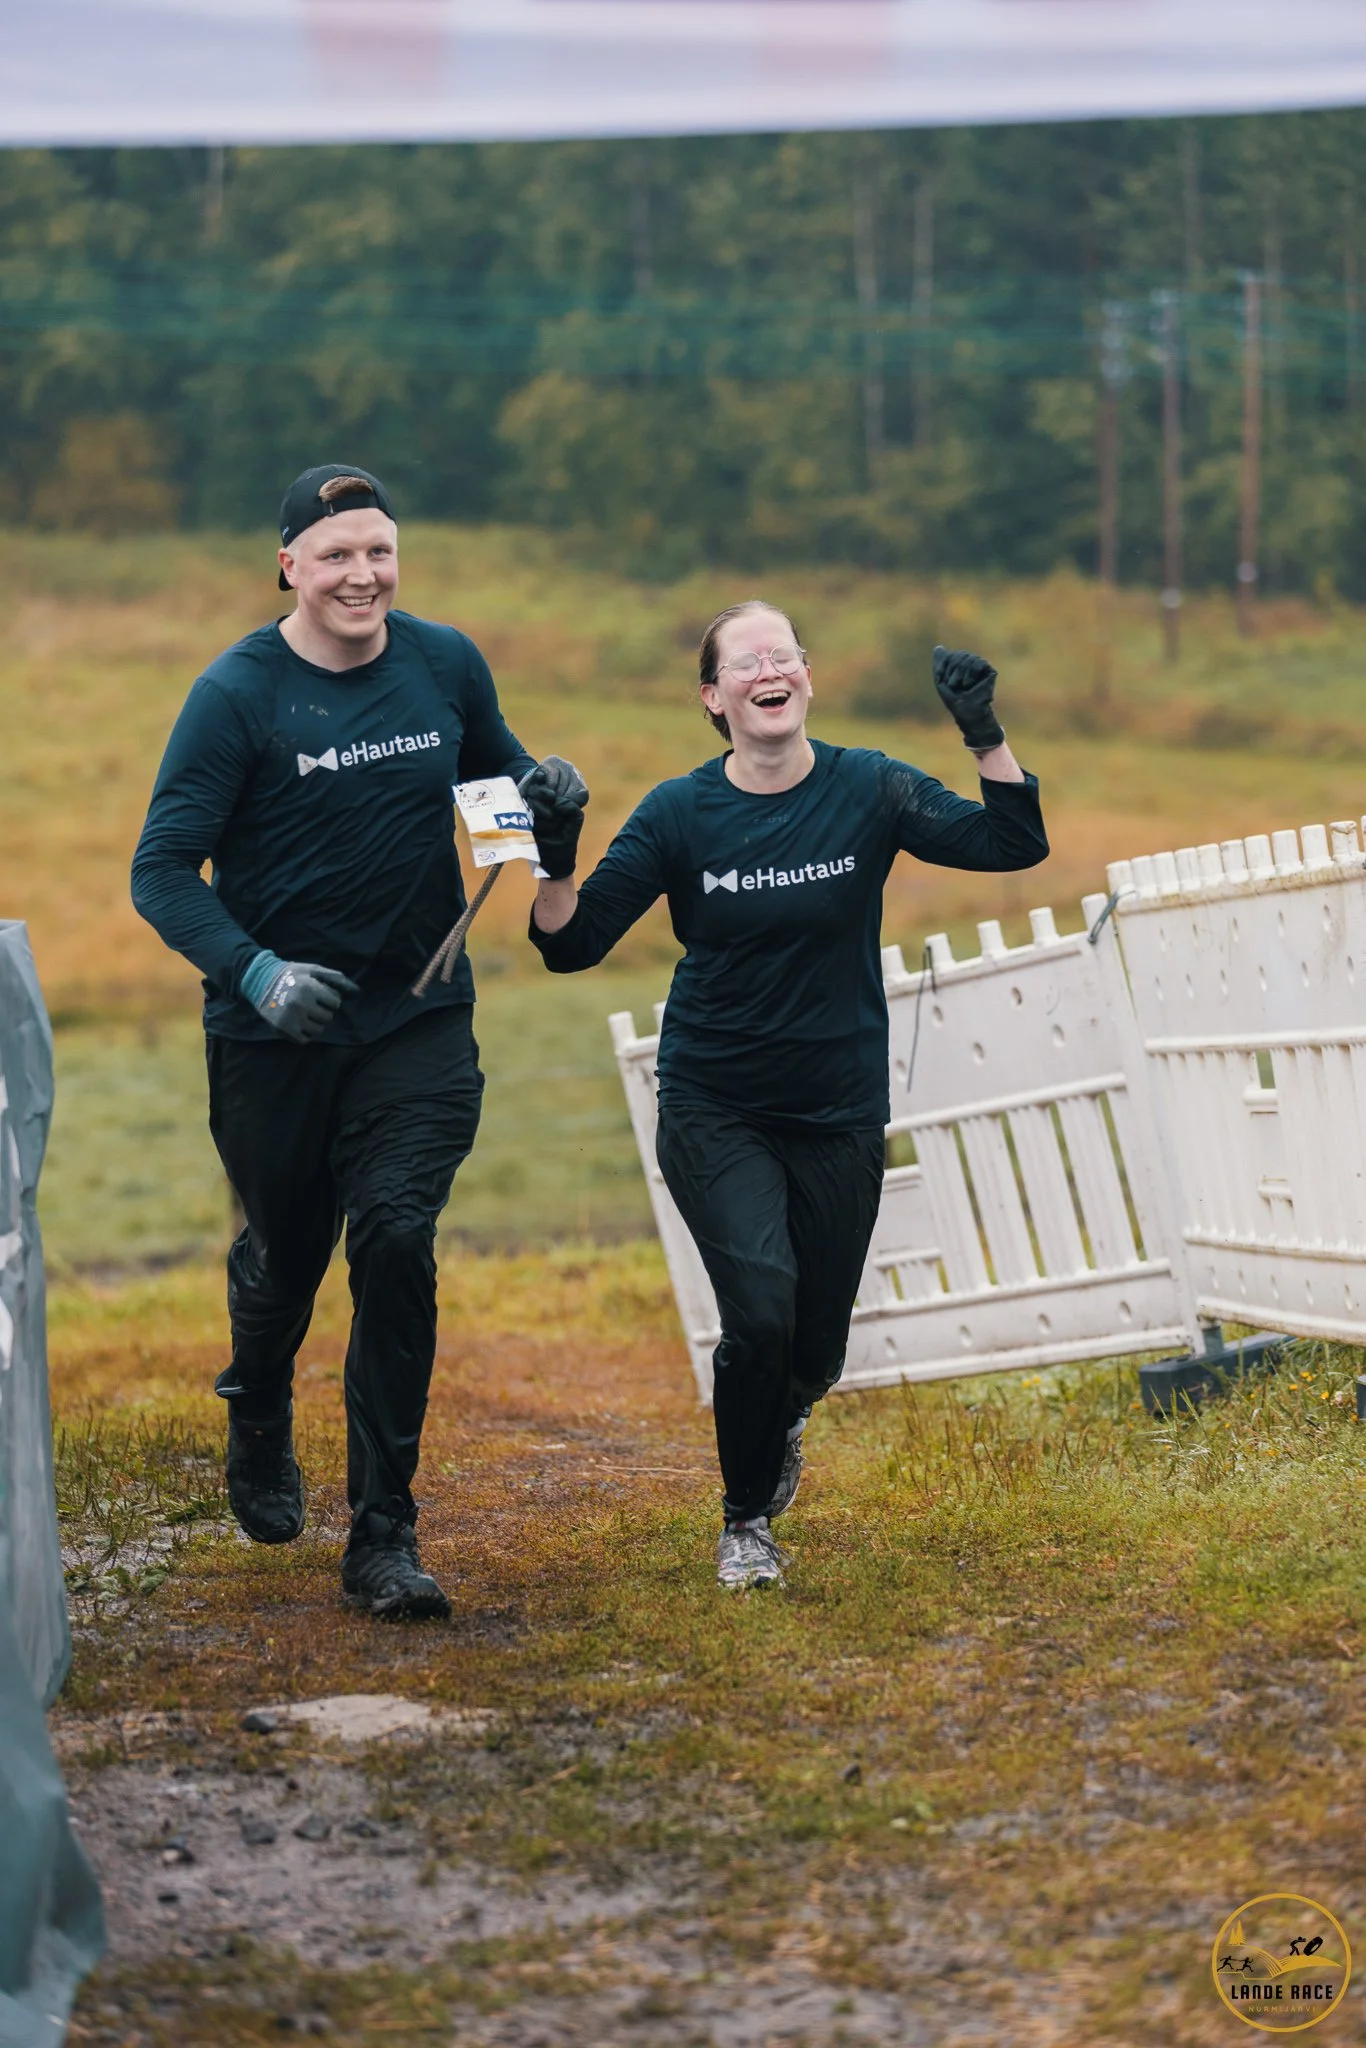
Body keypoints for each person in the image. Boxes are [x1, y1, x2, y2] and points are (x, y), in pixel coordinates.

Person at [131, 463, 585, 1620]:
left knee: (393, 1237)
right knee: (288, 1256)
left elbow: (499, 800)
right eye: (336, 554)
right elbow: (159, 873)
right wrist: (258, 970)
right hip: (272, 1031)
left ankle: (383, 1533)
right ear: (288, 562)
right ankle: (260, 1394)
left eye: (377, 550)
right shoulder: (235, 694)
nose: (361, 574)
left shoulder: (444, 663)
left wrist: (552, 807)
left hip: (415, 1017)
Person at [520, 600, 1047, 1591]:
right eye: (744, 658)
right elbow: (568, 943)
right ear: (714, 697)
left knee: (814, 1346)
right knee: (758, 1312)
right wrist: (555, 851)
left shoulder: (869, 786)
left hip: (837, 1105)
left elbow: (1010, 845)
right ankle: (745, 1518)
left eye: (784, 652)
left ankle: (785, 1412)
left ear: (805, 676)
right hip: (715, 1099)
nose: (770, 667)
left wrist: (981, 730)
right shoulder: (680, 812)